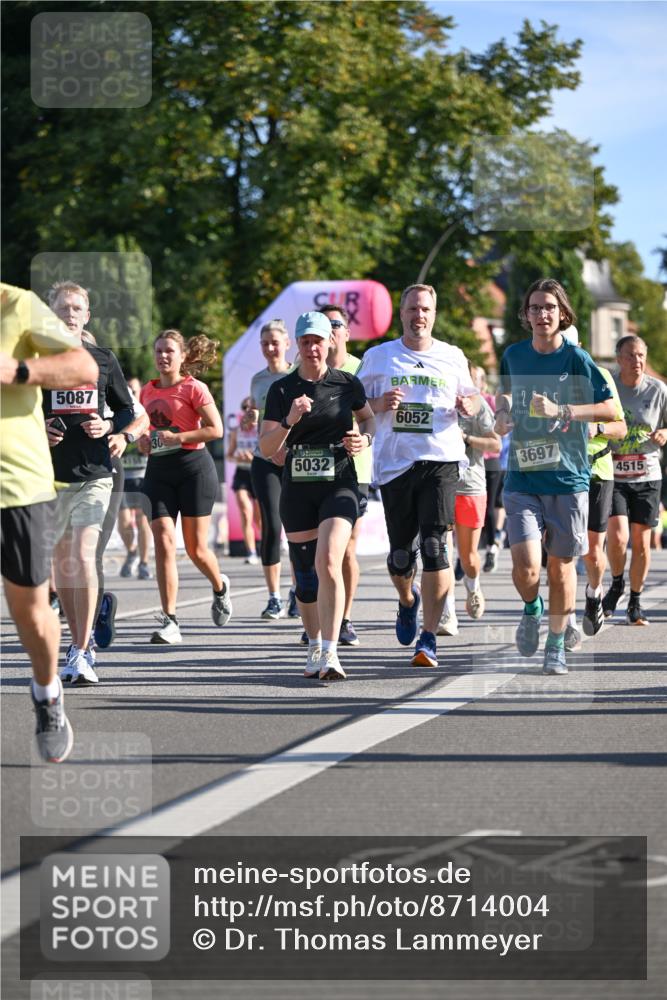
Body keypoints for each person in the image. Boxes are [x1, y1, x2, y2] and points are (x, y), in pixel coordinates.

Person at [495, 278, 616, 676]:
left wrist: (563, 412)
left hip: (567, 478)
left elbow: (610, 410)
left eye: (549, 307)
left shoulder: (577, 359)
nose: (542, 314)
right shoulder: (513, 354)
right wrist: (503, 413)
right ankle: (533, 606)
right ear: (525, 315)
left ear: (562, 313)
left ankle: (555, 643)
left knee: (561, 567)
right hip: (524, 476)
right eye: (535, 308)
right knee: (527, 566)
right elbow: (507, 395)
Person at [357, 283, 480, 669]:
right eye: (412, 309)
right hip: (395, 465)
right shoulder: (379, 357)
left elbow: (475, 398)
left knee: (434, 548)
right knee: (399, 557)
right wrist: (378, 404)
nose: (419, 315)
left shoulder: (452, 356)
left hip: (441, 459)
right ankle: (407, 599)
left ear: (434, 314)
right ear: (402, 313)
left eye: (425, 309)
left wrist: (468, 403)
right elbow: (351, 404)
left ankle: (428, 638)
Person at [1, 282, 98, 761]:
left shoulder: (16, 305)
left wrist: (18, 370)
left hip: (15, 483)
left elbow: (83, 366)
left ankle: (46, 691)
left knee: (31, 614)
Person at [260, 311, 375, 681]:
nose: (312, 348)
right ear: (298, 345)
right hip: (297, 488)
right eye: (306, 341)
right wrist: (290, 420)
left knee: (329, 559)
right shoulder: (281, 390)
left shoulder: (347, 383)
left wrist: (365, 438)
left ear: (330, 343)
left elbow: (369, 419)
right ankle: (313, 643)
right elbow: (266, 448)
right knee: (306, 578)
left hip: (340, 481)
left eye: (318, 341)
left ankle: (331, 650)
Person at [44, 281, 135, 686]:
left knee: (82, 558)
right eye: (63, 307)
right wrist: (38, 427)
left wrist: (112, 425)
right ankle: (75, 644)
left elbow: (127, 408)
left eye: (76, 308)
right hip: (51, 476)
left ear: (87, 316)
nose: (69, 313)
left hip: (96, 473)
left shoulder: (103, 358)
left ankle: (82, 650)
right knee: (63, 567)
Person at [139, 329, 231, 643]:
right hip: (158, 472)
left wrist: (179, 438)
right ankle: (170, 620)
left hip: (194, 470)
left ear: (181, 357)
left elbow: (215, 429)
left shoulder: (195, 389)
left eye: (169, 351)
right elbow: (144, 434)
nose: (163, 356)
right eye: (159, 351)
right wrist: (142, 441)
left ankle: (219, 586)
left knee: (196, 549)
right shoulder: (146, 392)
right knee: (163, 540)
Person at [556, 327, 627, 643]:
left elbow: (621, 428)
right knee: (563, 551)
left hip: (597, 470)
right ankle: (568, 621)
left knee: (593, 551)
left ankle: (595, 592)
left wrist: (596, 427)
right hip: (558, 472)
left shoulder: (599, 376)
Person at [601, 336, 667, 625]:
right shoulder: (608, 388)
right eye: (630, 355)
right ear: (618, 358)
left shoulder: (658, 389)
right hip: (614, 474)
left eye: (640, 355)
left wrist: (665, 432)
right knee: (618, 537)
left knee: (641, 544)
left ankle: (635, 602)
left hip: (648, 474)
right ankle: (617, 583)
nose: (636, 361)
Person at [318, 303, 373, 646]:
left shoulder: (362, 368)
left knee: (347, 549)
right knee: (318, 552)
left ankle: (345, 618)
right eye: (325, 325)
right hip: (314, 468)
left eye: (336, 324)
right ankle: (321, 616)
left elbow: (374, 411)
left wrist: (361, 434)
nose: (331, 330)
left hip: (355, 467)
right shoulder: (304, 369)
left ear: (347, 333)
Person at [249, 320, 293, 620]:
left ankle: (299, 589)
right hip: (264, 460)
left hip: (294, 460)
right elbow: (258, 416)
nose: (270, 348)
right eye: (265, 343)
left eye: (275, 342)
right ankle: (274, 596)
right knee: (271, 526)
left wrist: (286, 449)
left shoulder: (297, 375)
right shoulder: (258, 379)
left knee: (299, 527)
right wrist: (249, 417)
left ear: (287, 344)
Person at [452, 364, 500, 620]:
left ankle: (473, 586)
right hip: (439, 484)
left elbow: (495, 443)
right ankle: (446, 609)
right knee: (440, 552)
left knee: (468, 556)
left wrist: (466, 439)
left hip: (470, 484)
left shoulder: (478, 404)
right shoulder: (437, 397)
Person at [117, 377, 153, 580]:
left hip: (143, 474)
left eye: (134, 388)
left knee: (142, 521)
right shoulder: (120, 411)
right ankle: (132, 552)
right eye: (128, 388)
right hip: (123, 476)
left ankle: (144, 562)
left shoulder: (145, 415)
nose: (131, 391)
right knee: (123, 523)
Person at [226, 396, 261, 565]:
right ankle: (251, 551)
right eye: (244, 407)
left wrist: (254, 457)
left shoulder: (263, 428)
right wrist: (239, 457)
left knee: (259, 517)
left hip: (259, 472)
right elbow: (229, 456)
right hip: (242, 473)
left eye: (251, 407)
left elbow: (271, 452)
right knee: (246, 513)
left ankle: (271, 544)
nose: (248, 411)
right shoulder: (236, 430)